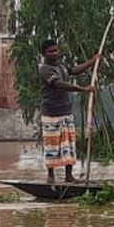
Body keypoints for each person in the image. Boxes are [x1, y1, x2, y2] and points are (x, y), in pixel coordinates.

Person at [38, 39, 97, 183]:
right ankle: (51, 176)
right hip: (51, 112)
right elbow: (59, 84)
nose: (55, 53)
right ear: (44, 54)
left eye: (56, 50)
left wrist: (92, 62)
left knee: (69, 144)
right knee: (51, 144)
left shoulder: (61, 65)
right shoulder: (45, 69)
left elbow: (74, 71)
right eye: (51, 51)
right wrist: (83, 89)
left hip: (65, 110)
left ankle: (69, 175)